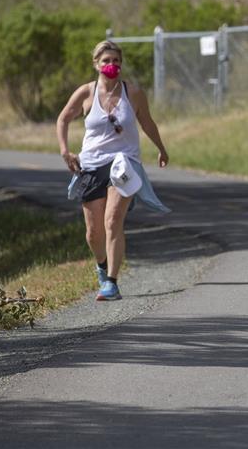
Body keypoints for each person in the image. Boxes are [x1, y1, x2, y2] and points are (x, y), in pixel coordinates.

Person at [56, 40, 170, 301]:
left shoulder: (134, 92)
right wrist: (65, 150)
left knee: (112, 221)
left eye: (116, 61)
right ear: (96, 64)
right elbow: (63, 118)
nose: (112, 65)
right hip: (91, 164)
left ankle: (112, 282)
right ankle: (102, 266)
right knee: (93, 233)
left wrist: (161, 148)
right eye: (106, 60)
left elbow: (148, 122)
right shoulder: (86, 93)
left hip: (124, 162)